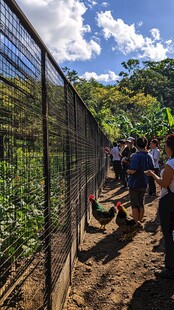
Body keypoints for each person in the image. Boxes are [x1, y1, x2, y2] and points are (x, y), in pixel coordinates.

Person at [145, 134, 174, 279]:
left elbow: (164, 184)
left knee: (168, 234)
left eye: (166, 146)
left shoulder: (171, 164)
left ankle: (170, 268)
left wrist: (153, 175)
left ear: (170, 147)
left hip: (169, 201)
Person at [127, 136, 154, 225]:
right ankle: (140, 219)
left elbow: (133, 170)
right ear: (146, 144)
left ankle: (136, 222)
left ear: (137, 145)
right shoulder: (149, 156)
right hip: (144, 183)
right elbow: (152, 169)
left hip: (134, 183)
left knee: (134, 204)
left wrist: (128, 171)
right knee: (141, 202)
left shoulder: (136, 156)